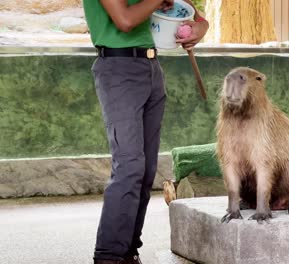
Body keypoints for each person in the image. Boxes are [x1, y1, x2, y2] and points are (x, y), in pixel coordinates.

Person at [82, 0, 209, 263]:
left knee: (146, 168)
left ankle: (128, 251)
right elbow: (125, 21)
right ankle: (109, 256)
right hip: (118, 69)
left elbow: (197, 17)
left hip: (151, 69)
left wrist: (199, 29)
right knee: (129, 167)